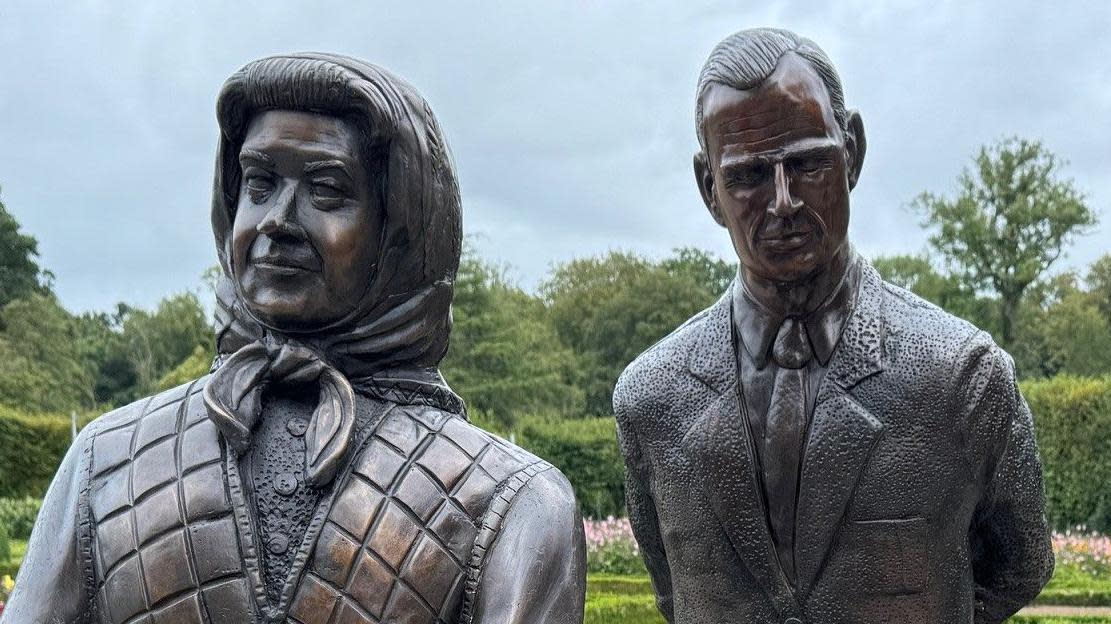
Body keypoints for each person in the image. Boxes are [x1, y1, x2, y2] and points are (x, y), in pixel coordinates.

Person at [4, 53, 585, 624]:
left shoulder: (512, 502)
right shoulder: (104, 462)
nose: (276, 220)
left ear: (400, 229)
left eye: (327, 190)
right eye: (259, 183)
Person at [613, 28, 1053, 624]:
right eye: (748, 175)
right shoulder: (650, 399)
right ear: (708, 187)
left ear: (854, 153)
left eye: (807, 163)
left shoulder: (961, 378)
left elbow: (1020, 565)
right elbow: (675, 593)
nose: (784, 200)